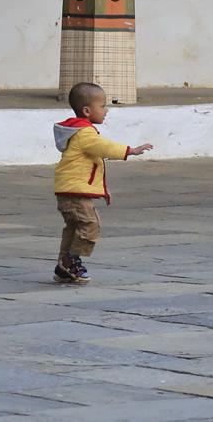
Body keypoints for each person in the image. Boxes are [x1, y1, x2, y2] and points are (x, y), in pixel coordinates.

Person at [52, 81, 153, 285]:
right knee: (90, 225)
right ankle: (71, 260)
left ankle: (65, 266)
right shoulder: (85, 133)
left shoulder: (79, 131)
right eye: (103, 105)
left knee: (73, 227)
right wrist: (129, 151)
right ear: (87, 110)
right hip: (75, 192)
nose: (106, 110)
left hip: (70, 190)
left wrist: (100, 192)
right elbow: (102, 147)